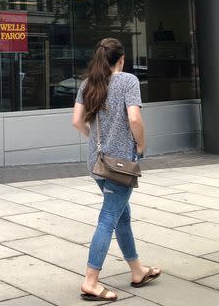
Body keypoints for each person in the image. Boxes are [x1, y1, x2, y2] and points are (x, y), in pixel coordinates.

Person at [72, 38, 161, 302]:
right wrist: (142, 145)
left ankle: (137, 271)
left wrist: (92, 138)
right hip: (120, 164)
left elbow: (76, 121)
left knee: (121, 215)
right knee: (109, 217)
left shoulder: (88, 84)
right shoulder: (128, 81)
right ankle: (90, 281)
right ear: (121, 59)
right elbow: (134, 118)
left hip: (97, 163)